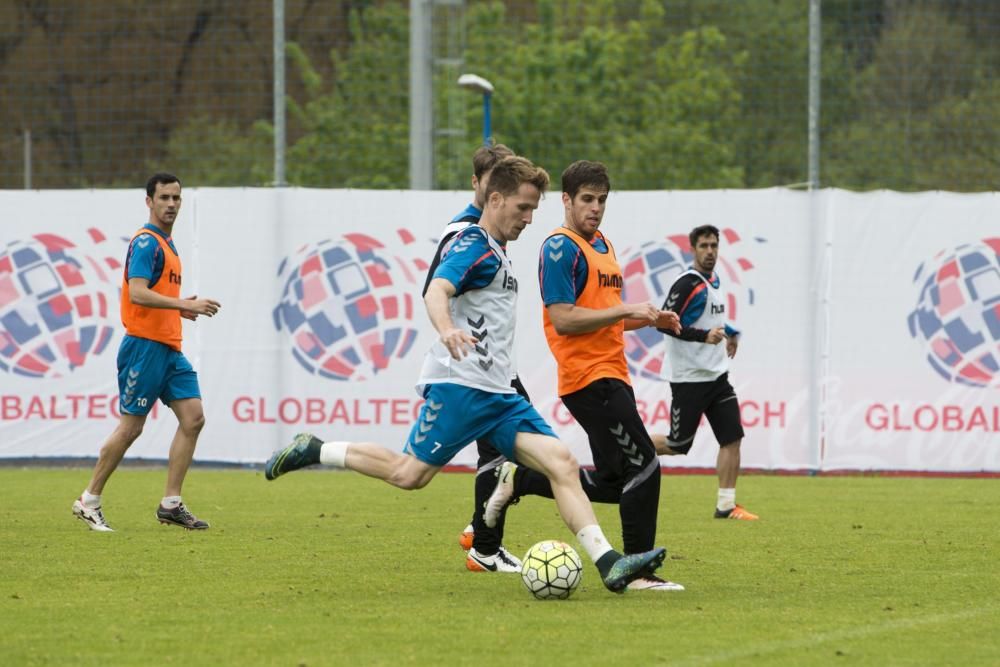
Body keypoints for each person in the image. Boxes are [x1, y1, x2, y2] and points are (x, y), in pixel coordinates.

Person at [264, 156, 667, 593]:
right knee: (409, 474)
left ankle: (610, 564)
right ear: (494, 199)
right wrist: (447, 329)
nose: (529, 219)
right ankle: (317, 449)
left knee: (562, 464)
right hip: (462, 389)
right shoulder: (473, 244)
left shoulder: (498, 248)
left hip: (499, 393)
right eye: (522, 208)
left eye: (533, 209)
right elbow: (437, 288)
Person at [483, 160, 684, 591]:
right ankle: (638, 573)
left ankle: (522, 478)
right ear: (567, 201)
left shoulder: (603, 245)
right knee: (644, 464)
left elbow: (600, 316)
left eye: (602, 200)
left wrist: (648, 320)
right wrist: (629, 308)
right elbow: (564, 319)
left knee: (613, 482)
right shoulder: (560, 248)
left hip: (612, 373)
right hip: (589, 378)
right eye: (587, 200)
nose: (595, 208)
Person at [72, 172, 222, 532]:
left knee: (194, 418)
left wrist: (181, 308)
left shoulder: (168, 245)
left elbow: (152, 296)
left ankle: (171, 503)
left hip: (169, 348)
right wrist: (183, 304)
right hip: (144, 347)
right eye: (164, 198)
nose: (171, 204)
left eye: (176, 198)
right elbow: (137, 293)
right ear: (149, 202)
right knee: (131, 429)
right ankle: (88, 500)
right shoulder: (146, 243)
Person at [424, 143, 526, 574]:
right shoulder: (464, 233)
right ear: (479, 184)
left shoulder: (493, 233)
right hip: (472, 367)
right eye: (490, 180)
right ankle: (484, 544)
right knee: (515, 453)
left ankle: (482, 538)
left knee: (509, 455)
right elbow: (434, 287)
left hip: (492, 365)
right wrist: (451, 331)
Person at [650, 224, 758, 521]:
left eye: (714, 246)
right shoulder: (687, 283)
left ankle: (726, 505)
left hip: (716, 376)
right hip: (689, 378)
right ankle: (625, 451)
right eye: (704, 246)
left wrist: (731, 333)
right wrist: (702, 337)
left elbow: (715, 317)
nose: (710, 251)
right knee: (677, 444)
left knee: (732, 437)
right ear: (693, 249)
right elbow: (662, 322)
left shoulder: (714, 280)